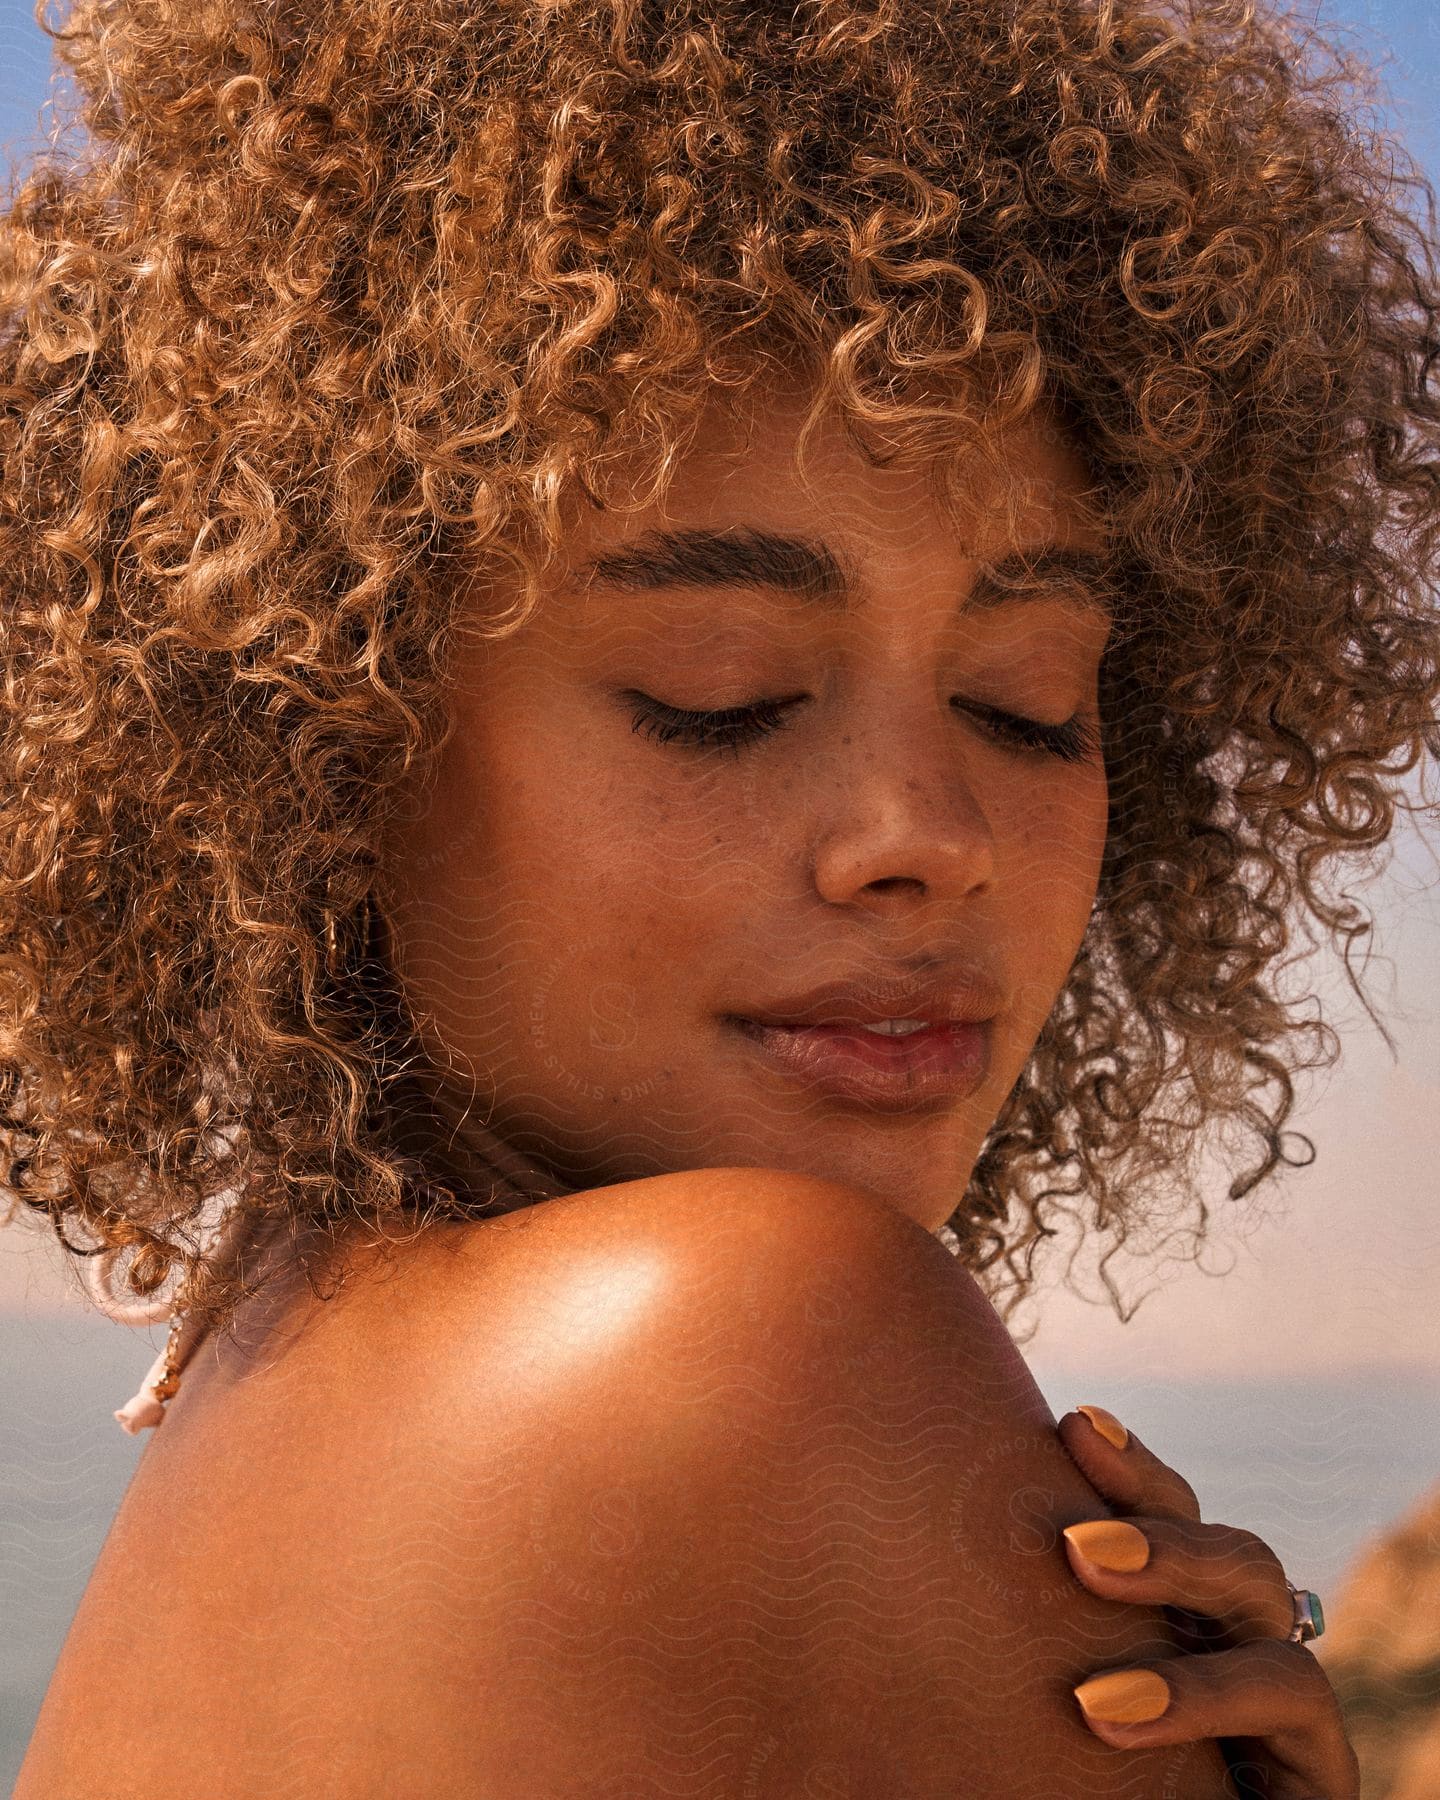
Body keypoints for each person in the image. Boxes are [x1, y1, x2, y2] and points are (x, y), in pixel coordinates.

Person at [4, 0, 1432, 1790]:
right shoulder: (743, 1334)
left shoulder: (279, 1366)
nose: (929, 831)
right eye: (718, 690)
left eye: (1028, 703)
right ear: (318, 744)